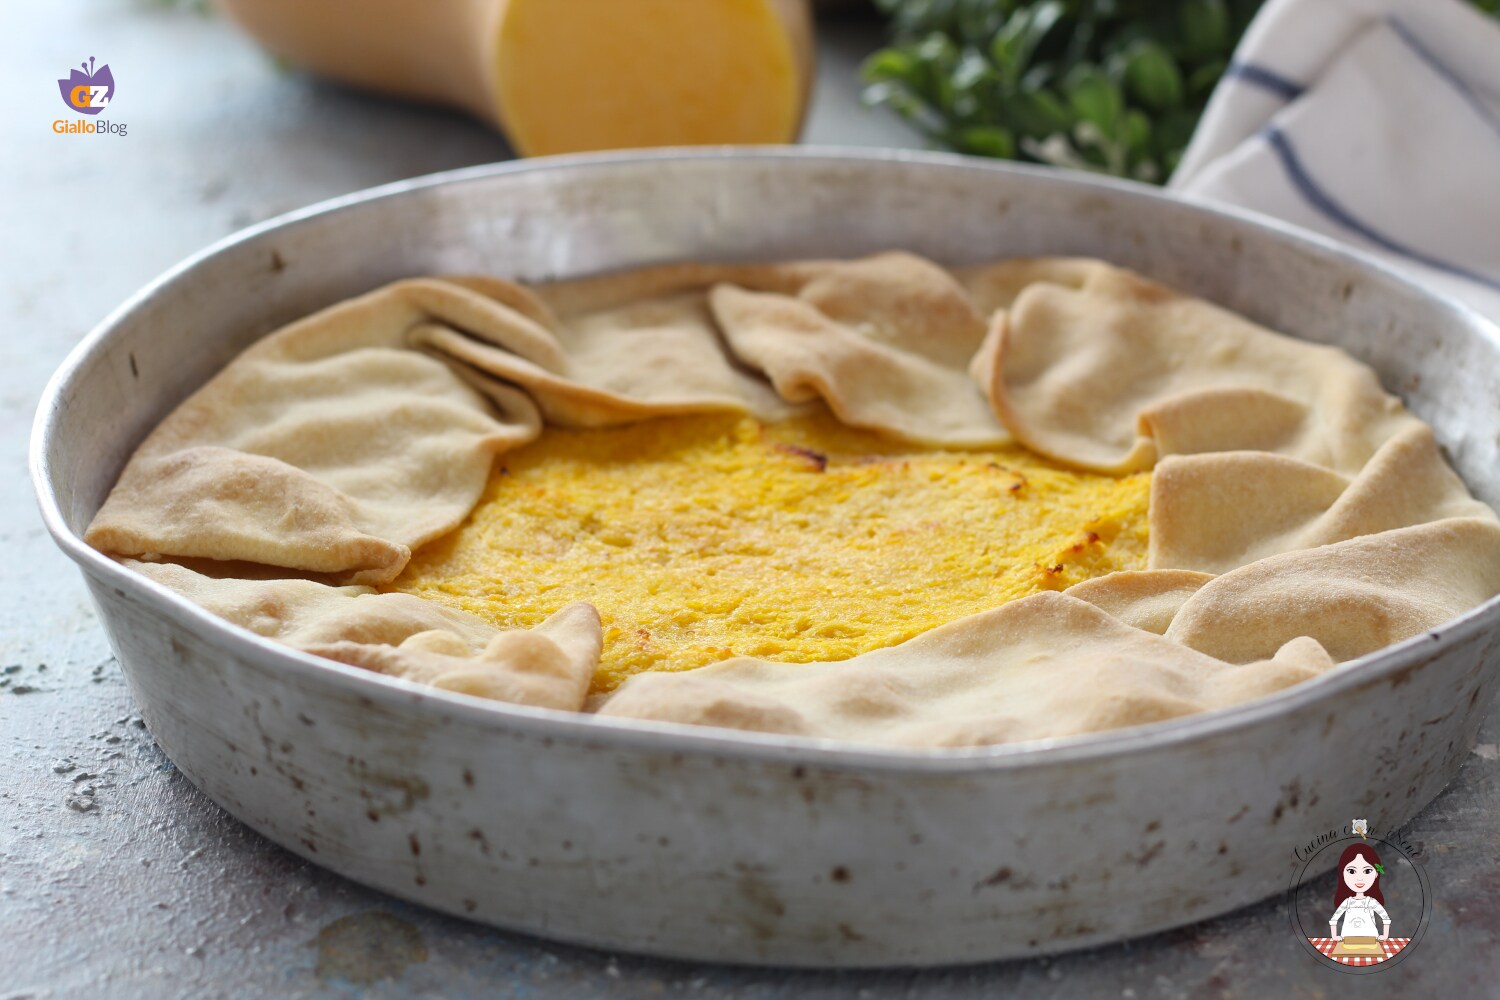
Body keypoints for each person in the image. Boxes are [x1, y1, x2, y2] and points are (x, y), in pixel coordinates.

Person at [1329, 843, 1392, 942]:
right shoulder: (1348, 902)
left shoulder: (1370, 902)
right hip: (1349, 939)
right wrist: (1335, 936)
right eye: (1351, 871)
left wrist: (1384, 935)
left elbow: (1386, 918)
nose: (1359, 878)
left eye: (1367, 871)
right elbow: (1333, 920)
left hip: (1370, 939)